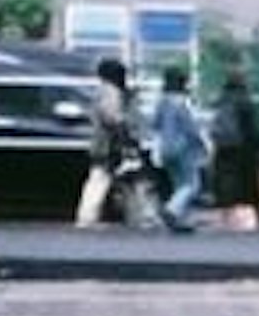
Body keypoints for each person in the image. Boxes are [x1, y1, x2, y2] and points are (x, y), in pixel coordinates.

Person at [147, 65, 210, 232]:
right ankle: (171, 210)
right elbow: (192, 127)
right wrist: (203, 145)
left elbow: (154, 124)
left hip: (164, 148)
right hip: (182, 148)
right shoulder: (183, 102)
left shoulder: (161, 101)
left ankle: (179, 220)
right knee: (192, 184)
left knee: (178, 184)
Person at [79, 56, 137, 226]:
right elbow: (113, 117)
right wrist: (125, 133)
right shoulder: (112, 92)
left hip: (101, 141)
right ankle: (88, 217)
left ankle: (89, 216)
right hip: (108, 143)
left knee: (101, 178)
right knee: (100, 179)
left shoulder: (100, 91)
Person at [208, 70, 259, 230]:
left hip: (223, 146)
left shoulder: (221, 100)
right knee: (250, 183)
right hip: (245, 148)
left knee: (225, 181)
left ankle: (226, 217)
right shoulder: (245, 101)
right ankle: (257, 217)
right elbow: (254, 128)